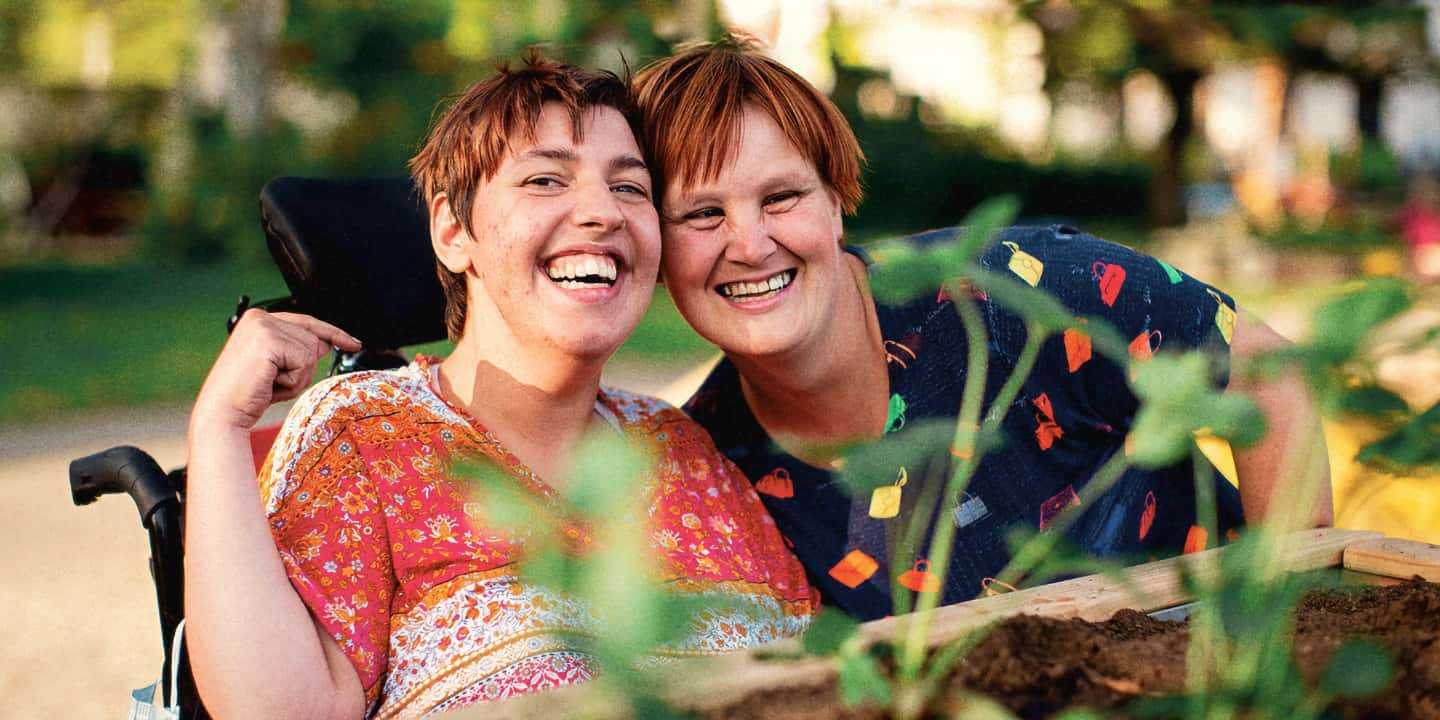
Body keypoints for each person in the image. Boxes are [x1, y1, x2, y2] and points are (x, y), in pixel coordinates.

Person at [184, 53, 815, 719]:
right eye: (545, 180)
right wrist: (219, 426)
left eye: (631, 188)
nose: (601, 211)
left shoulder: (683, 448)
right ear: (453, 232)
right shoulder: (364, 434)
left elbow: (814, 680)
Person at [633, 38, 1334, 621]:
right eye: (701, 215)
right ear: (656, 251)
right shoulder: (709, 473)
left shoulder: (1012, 290)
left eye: (780, 198)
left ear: (836, 202)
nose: (750, 244)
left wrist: (1288, 627)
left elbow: (1264, 367)